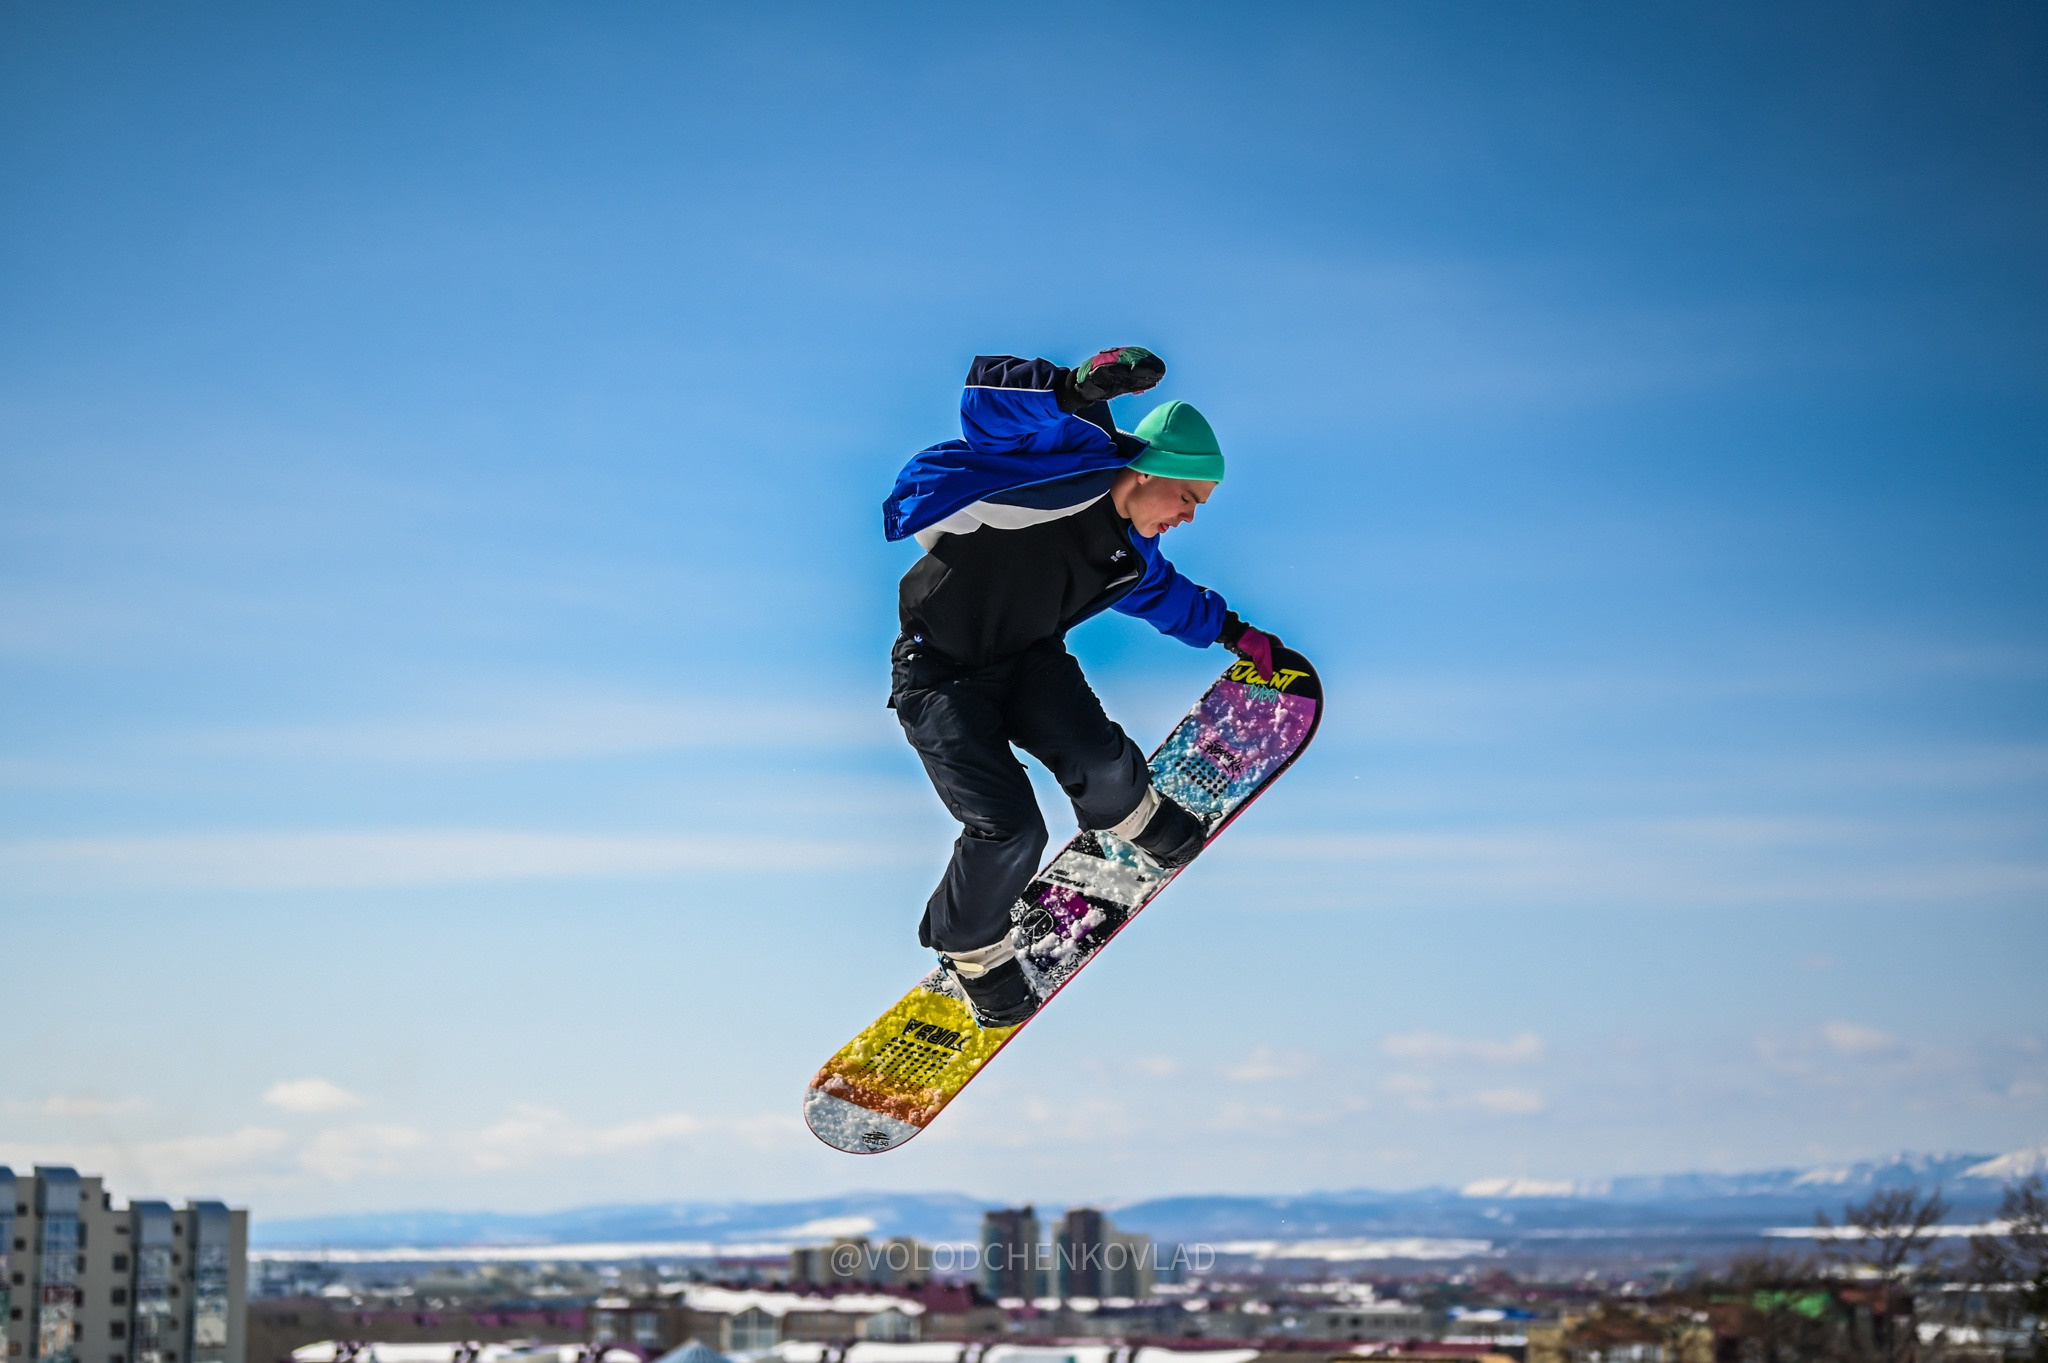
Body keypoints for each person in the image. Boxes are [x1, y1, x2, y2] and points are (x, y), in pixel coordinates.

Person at [882, 347, 1280, 1028]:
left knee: (1100, 758)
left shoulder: (1133, 557)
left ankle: (1129, 810)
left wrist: (1235, 633)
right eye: (1188, 496)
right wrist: (1071, 388)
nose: (1188, 516)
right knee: (1009, 828)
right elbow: (988, 408)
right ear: (1152, 469)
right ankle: (973, 945)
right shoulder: (1066, 456)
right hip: (939, 675)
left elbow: (1169, 597)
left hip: (1028, 662)